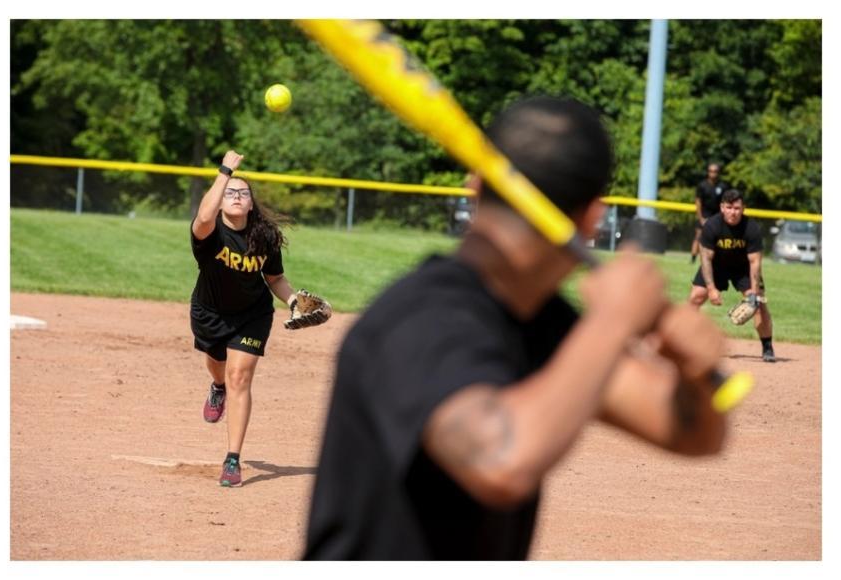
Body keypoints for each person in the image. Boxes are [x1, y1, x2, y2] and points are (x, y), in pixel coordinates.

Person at [303, 97, 730, 560]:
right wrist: (611, 321)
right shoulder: (423, 317)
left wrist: (694, 374)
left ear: (475, 186)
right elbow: (500, 461)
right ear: (592, 218)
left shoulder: (544, 323)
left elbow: (694, 435)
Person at [190, 150, 299, 487]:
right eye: (230, 193)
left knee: (240, 377)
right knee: (217, 363)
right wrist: (225, 172)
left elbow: (275, 279)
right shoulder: (209, 234)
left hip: (253, 315)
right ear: (220, 200)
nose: (237, 197)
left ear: (251, 204)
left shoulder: (263, 237)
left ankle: (232, 459)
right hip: (209, 313)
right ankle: (216, 385)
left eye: (243, 193)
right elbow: (204, 215)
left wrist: (294, 300)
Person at [688, 188, 775, 362]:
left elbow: (755, 263)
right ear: (722, 207)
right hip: (716, 265)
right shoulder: (712, 225)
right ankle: (682, 341)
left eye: (736, 208)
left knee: (759, 305)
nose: (733, 212)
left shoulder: (751, 228)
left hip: (742, 268)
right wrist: (711, 289)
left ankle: (767, 347)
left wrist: (754, 294)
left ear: (743, 209)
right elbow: (705, 259)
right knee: (695, 297)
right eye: (729, 207)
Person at [690, 163, 730, 264]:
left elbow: (725, 202)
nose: (713, 173)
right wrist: (701, 218)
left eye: (715, 171)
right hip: (704, 214)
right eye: (711, 171)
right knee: (698, 236)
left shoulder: (723, 186)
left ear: (718, 173)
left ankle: (718, 259)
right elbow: (698, 202)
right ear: (708, 172)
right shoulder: (702, 185)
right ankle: (693, 258)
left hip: (717, 216)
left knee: (719, 238)